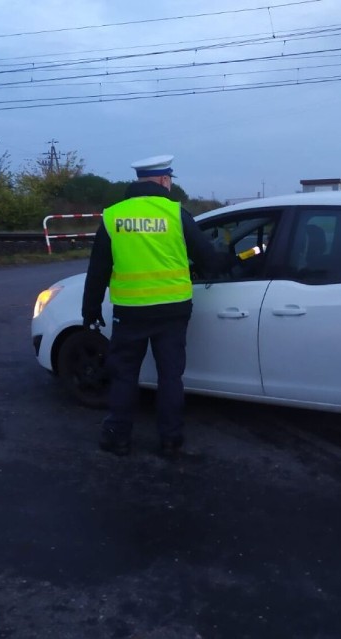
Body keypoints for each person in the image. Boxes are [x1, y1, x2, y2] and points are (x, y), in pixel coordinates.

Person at [81, 154, 233, 459]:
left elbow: (97, 269)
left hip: (130, 312)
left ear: (139, 180)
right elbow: (208, 260)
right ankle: (170, 441)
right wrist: (228, 257)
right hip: (173, 311)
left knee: (124, 376)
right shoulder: (176, 214)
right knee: (170, 377)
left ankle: (118, 439)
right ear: (164, 180)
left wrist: (91, 309)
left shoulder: (113, 216)